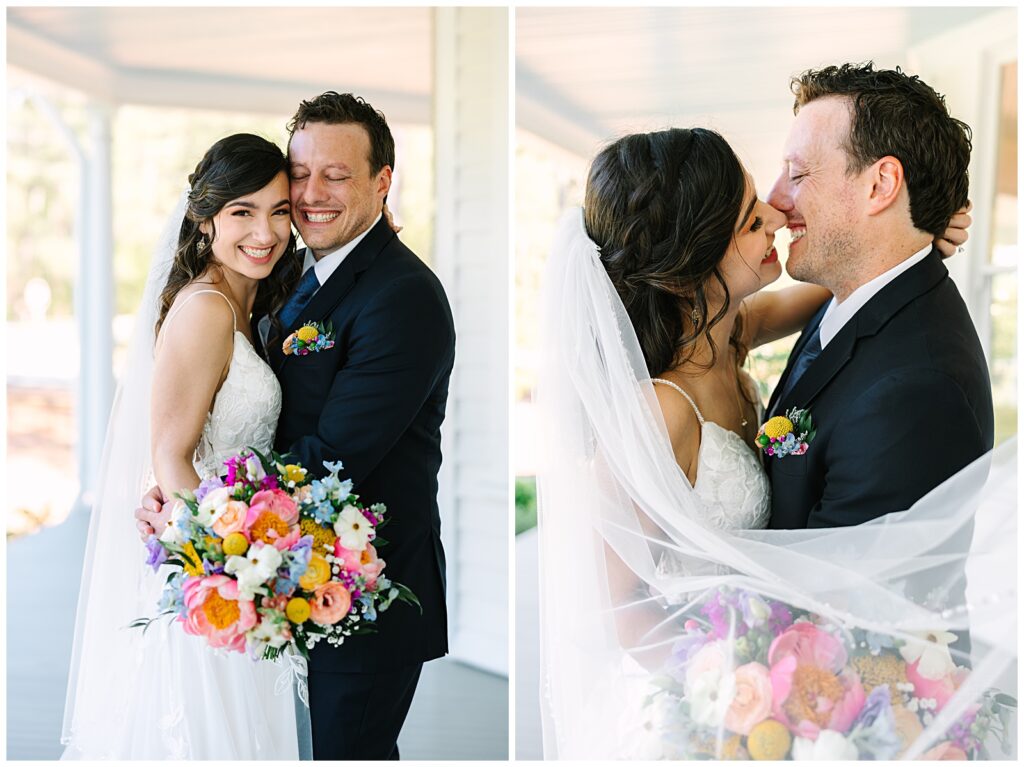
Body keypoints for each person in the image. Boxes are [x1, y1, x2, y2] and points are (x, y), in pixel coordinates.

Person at [535, 65, 1013, 760]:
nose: (779, 210)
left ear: (880, 184)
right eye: (750, 218)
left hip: (814, 700)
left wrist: (915, 236)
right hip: (717, 693)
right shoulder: (661, 405)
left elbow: (858, 607)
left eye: (791, 178)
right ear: (685, 267)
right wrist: (723, 686)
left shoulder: (742, 334)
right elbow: (620, 602)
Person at [137, 92, 456, 760]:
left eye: (335, 175)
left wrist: (207, 521)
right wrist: (176, 487)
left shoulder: (401, 296)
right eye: (299, 176)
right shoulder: (292, 277)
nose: (310, 195)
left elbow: (333, 454)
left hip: (365, 589)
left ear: (382, 181)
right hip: (276, 576)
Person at [63, 133, 304, 759]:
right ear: (204, 220)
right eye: (242, 212)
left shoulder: (256, 302)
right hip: (213, 570)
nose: (266, 231)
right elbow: (170, 455)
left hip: (237, 554)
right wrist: (236, 568)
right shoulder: (205, 308)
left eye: (279, 211)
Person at [764, 63, 992, 529]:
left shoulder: (913, 392)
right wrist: (913, 234)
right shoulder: (854, 295)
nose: (774, 200)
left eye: (798, 173)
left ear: (880, 186)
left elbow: (830, 597)